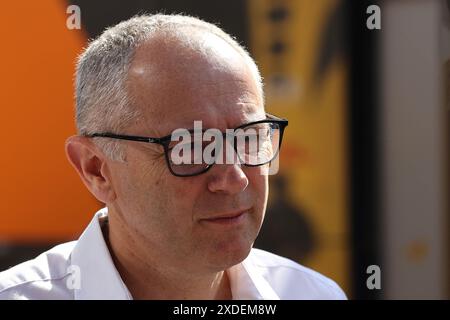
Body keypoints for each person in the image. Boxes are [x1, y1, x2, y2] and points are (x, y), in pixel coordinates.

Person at [0, 14, 346, 300]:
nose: (235, 177)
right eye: (191, 147)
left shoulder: (312, 294)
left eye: (248, 137)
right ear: (96, 169)